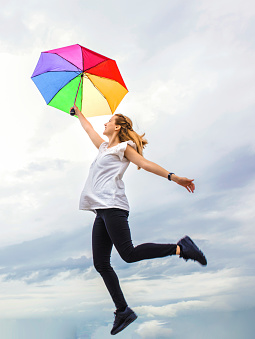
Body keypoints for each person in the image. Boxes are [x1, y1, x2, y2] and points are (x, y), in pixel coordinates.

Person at [72, 105, 207, 336]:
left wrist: (174, 178)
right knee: (101, 264)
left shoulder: (124, 148)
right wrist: (78, 113)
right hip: (101, 211)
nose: (104, 124)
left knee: (129, 253)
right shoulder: (104, 148)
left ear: (117, 126)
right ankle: (123, 310)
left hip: (114, 206)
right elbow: (88, 130)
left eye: (109, 120)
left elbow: (145, 164)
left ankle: (181, 248)